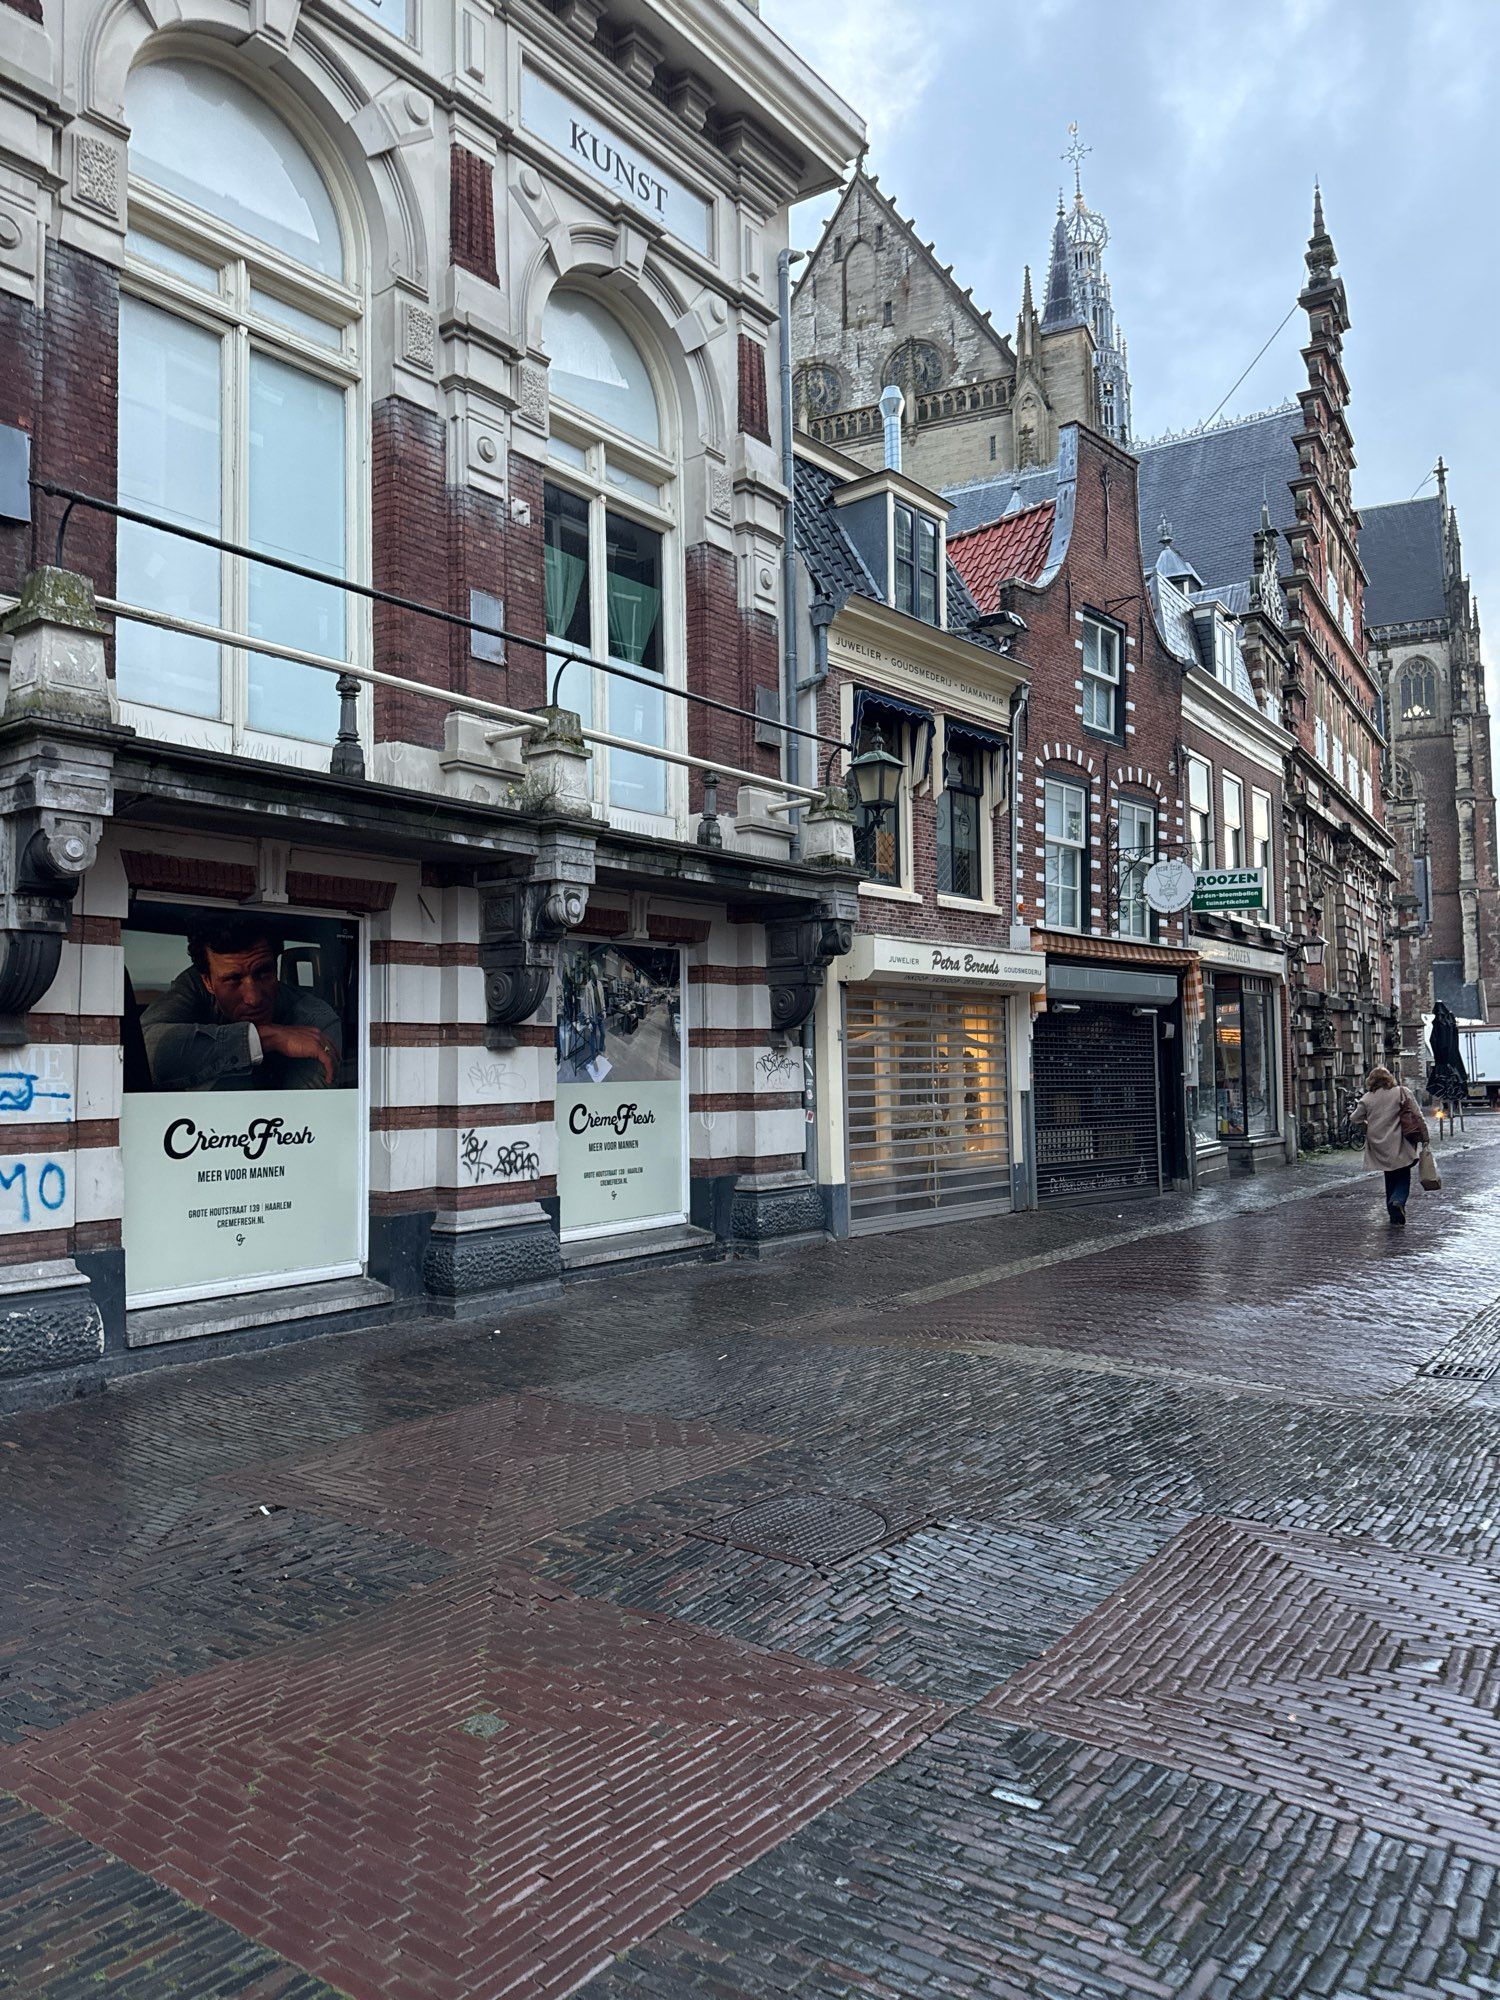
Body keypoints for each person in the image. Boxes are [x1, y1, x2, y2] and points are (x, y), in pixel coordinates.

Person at [140, 915, 343, 1091]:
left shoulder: (314, 1020)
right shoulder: (193, 987)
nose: (253, 998)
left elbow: (303, 1119)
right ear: (207, 982)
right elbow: (142, 1050)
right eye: (232, 980)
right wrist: (261, 1038)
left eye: (264, 973)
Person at [1349, 1065, 1429, 1226]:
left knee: (1389, 1176)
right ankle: (1397, 1201)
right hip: (1400, 1140)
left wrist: (1368, 1126)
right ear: (1389, 1079)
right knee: (1403, 1174)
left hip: (1378, 1143)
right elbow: (1417, 1115)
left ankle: (1394, 1216)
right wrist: (1425, 1136)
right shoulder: (1401, 1092)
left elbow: (1354, 1118)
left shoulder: (1367, 1099)